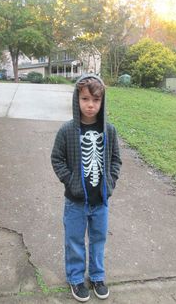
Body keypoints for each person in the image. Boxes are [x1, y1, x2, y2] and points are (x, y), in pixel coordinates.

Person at [51, 75, 122, 302]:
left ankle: (97, 276)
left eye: (96, 100)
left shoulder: (109, 131)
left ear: (102, 102)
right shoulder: (67, 131)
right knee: (74, 240)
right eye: (85, 99)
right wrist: (70, 182)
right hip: (75, 202)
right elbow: (57, 159)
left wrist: (110, 182)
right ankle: (75, 278)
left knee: (98, 239)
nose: (90, 105)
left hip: (100, 201)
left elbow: (115, 160)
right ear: (77, 100)